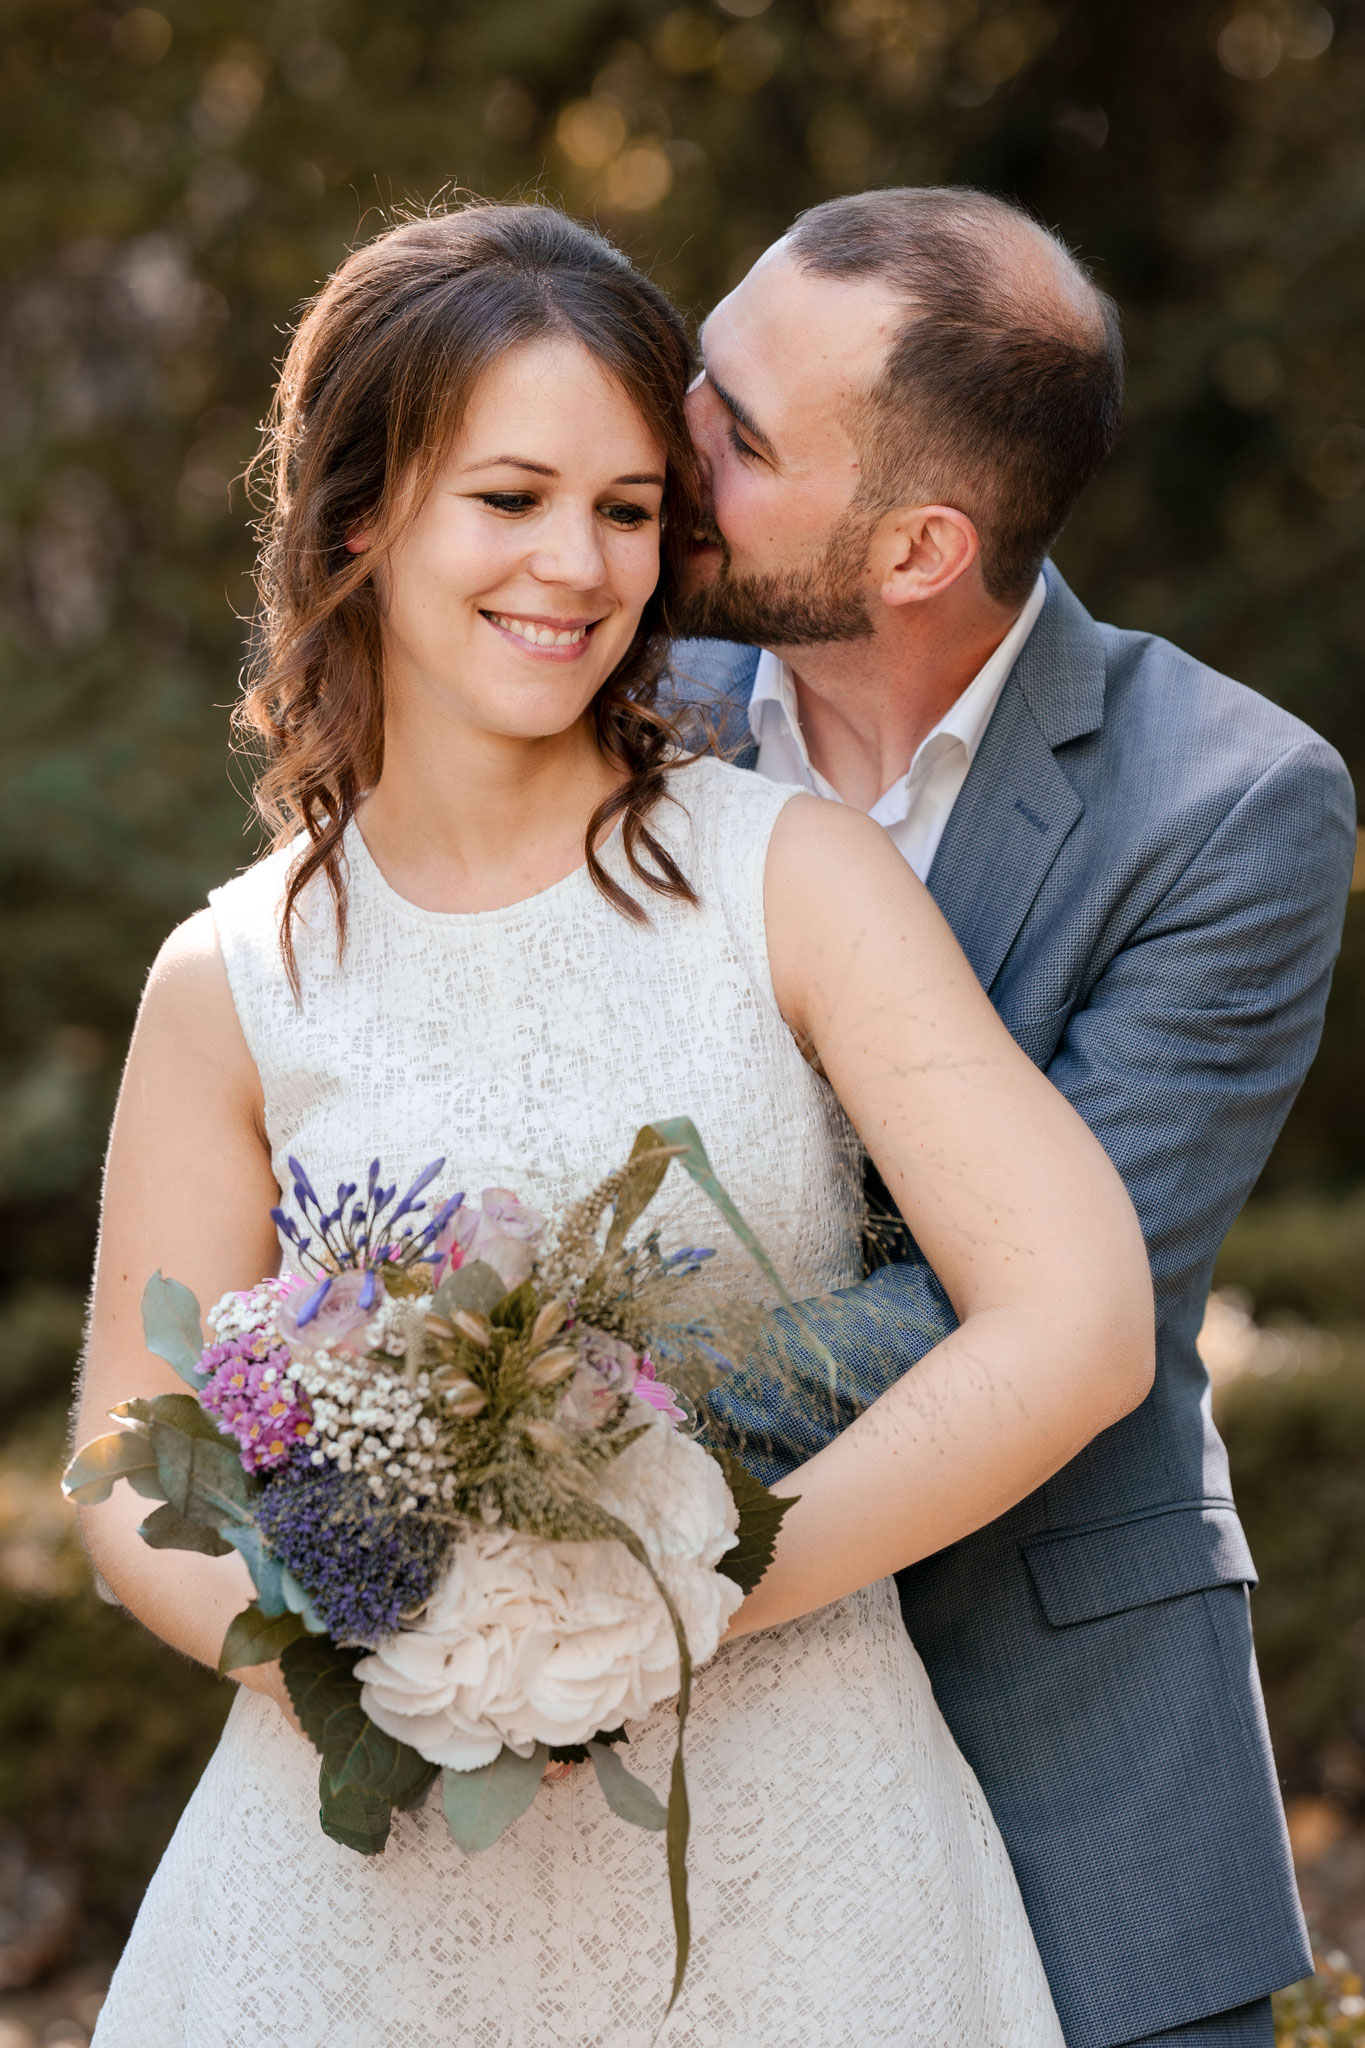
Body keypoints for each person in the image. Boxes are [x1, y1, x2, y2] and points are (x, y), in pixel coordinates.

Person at [76, 203, 1153, 2047]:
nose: (574, 564)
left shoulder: (789, 879)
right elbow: (119, 1464)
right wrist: (372, 1667)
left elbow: (1080, 1321)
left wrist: (679, 1603)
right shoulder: (230, 977)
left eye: (631, 507)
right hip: (357, 1918)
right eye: (506, 499)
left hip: (794, 1877)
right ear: (362, 516)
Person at [673, 185, 1357, 2048]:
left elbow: (1059, 1302)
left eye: (733, 434)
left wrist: (585, 1420)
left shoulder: (1228, 808)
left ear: (914, 547)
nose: (662, 441)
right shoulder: (603, 704)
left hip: (1054, 1732)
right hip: (641, 1789)